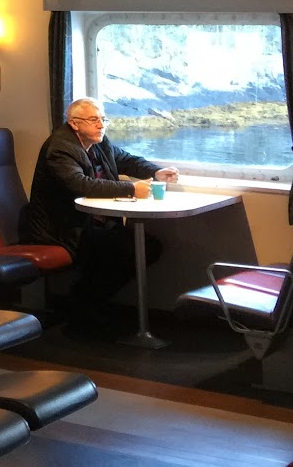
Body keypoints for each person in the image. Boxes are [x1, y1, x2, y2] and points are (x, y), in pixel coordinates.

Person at [21, 97, 180, 323]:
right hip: (62, 229)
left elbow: (126, 160)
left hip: (91, 223)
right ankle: (81, 306)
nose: (101, 125)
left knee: (147, 247)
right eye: (94, 120)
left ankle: (86, 303)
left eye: (103, 119)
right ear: (74, 123)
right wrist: (131, 189)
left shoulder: (99, 142)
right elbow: (81, 184)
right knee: (123, 248)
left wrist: (155, 172)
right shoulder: (60, 148)